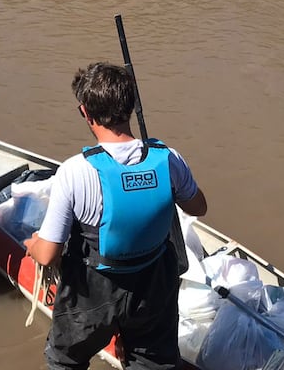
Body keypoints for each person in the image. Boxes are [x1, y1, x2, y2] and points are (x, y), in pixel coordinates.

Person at [24, 62, 208, 370]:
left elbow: (47, 254)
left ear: (85, 112)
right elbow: (198, 208)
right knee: (152, 362)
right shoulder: (168, 158)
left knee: (64, 361)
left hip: (94, 294)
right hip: (153, 286)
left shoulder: (75, 171)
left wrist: (33, 244)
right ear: (132, 106)